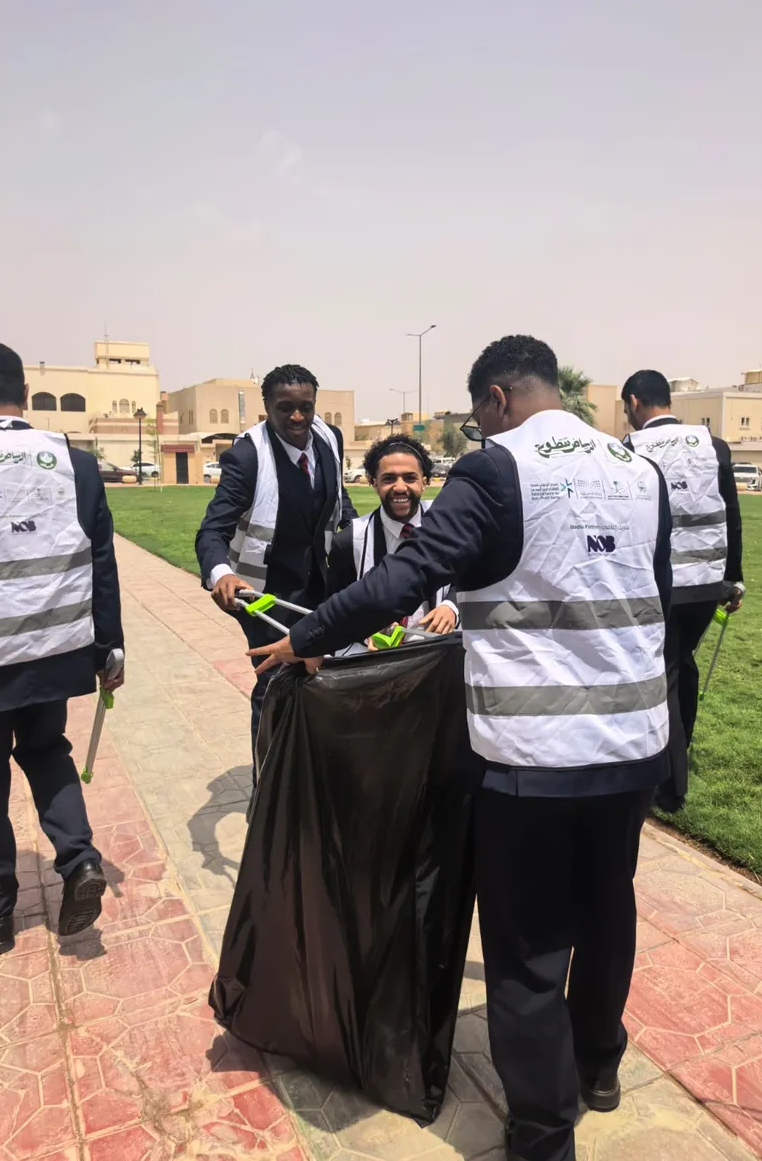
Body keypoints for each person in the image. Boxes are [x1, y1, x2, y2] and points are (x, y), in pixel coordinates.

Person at [250, 335, 672, 1161]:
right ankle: (598, 1066)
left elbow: (406, 577)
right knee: (607, 907)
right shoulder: (637, 469)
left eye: (480, 416)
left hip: (532, 760)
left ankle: (542, 1134)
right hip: (632, 747)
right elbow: (648, 593)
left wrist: (308, 635)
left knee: (527, 951)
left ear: (495, 399)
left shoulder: (496, 469)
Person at [0, 341, 123, 955]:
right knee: (47, 751)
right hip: (56, 651)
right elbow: (100, 562)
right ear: (26, 394)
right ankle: (79, 861)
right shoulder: (73, 463)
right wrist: (109, 649)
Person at [195, 364, 356, 753]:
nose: (297, 417)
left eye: (306, 407)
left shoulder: (329, 438)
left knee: (320, 677)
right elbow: (212, 530)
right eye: (285, 408)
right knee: (277, 683)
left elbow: (338, 499)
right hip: (267, 595)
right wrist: (221, 575)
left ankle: (308, 769)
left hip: (320, 585)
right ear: (266, 406)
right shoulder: (248, 457)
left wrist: (361, 537)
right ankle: (267, 780)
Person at [621, 369, 744, 812]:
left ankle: (671, 786)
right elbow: (732, 516)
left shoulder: (631, 448)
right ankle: (681, 746)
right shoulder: (713, 444)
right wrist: (734, 578)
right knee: (683, 664)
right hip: (708, 584)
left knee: (666, 674)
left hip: (663, 585)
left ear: (634, 403)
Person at [325, 434, 458, 646]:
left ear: (424, 482)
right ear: (373, 482)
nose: (399, 487)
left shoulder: (447, 522)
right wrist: (363, 628)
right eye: (389, 479)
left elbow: (472, 572)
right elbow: (335, 609)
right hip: (378, 656)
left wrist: (451, 605)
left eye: (410, 478)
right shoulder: (349, 541)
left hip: (440, 649)